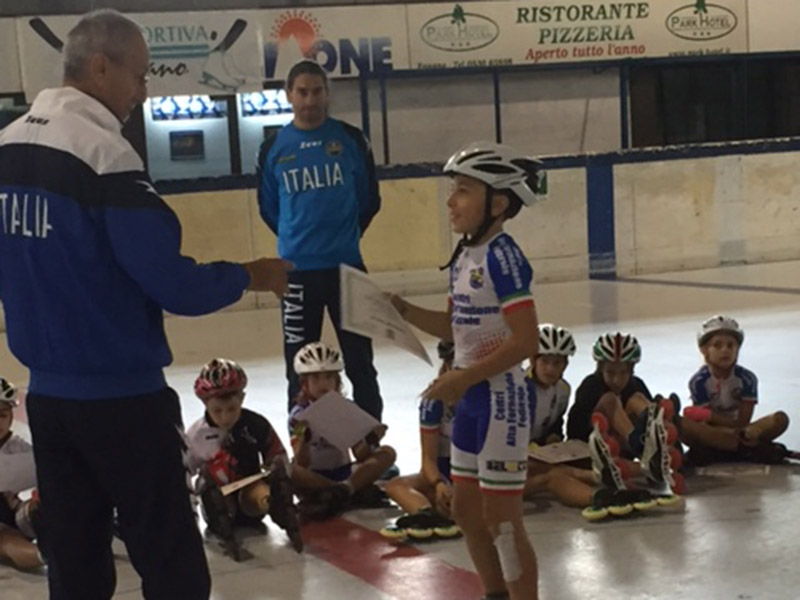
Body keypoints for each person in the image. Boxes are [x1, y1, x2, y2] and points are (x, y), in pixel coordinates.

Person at [0, 10, 290, 599]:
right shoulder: (104, 155)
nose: (144, 91)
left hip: (49, 402)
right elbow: (172, 282)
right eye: (140, 75)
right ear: (100, 67)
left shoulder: (7, 148)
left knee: (76, 563)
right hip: (122, 402)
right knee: (170, 562)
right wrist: (250, 275)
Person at [390, 142, 543, 600]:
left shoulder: (502, 255)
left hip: (500, 397)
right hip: (472, 398)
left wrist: (463, 377)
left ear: (496, 204)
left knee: (503, 522)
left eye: (463, 190)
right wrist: (402, 310)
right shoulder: (464, 255)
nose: (450, 201)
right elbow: (455, 327)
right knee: (467, 512)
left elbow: (526, 341)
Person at [257, 59, 384, 421]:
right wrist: (300, 241)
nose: (310, 100)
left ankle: (370, 440)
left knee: (361, 364)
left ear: (327, 94)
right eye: (302, 92)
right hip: (295, 274)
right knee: (297, 366)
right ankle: (303, 444)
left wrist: (342, 238)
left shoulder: (351, 139)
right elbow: (269, 208)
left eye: (316, 91)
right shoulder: (273, 148)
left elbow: (369, 200)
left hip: (347, 268)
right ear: (288, 95)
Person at [186, 359, 303, 556]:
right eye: (217, 411)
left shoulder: (257, 424)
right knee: (208, 480)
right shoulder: (196, 434)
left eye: (231, 409)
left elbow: (278, 454)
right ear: (205, 404)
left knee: (277, 480)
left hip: (252, 497)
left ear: (242, 399)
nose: (225, 418)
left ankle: (287, 520)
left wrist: (275, 466)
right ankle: (224, 529)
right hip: (218, 500)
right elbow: (186, 473)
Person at [288, 342, 396, 520]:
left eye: (329, 377)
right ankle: (346, 492)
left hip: (344, 471)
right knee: (289, 470)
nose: (323, 384)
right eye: (315, 379)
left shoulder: (345, 408)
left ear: (337, 381)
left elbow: (359, 454)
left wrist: (370, 439)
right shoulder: (298, 415)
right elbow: (302, 463)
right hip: (315, 476)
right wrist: (302, 437)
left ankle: (341, 492)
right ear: (304, 384)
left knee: (387, 453)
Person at [682, 315, 790, 465]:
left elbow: (742, 422)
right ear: (704, 350)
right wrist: (712, 421)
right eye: (717, 345)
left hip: (740, 430)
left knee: (780, 419)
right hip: (714, 432)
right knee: (682, 425)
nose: (725, 350)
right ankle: (747, 449)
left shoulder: (747, 379)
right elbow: (708, 425)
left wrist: (713, 417)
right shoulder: (698, 382)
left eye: (730, 345)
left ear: (738, 349)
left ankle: (726, 449)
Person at [381, 341, 461, 541]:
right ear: (447, 366)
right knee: (394, 486)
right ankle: (426, 514)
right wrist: (438, 484)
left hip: (470, 473)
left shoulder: (482, 397)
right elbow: (428, 459)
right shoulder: (433, 400)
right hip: (443, 471)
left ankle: (436, 511)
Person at [0, 377, 45, 570]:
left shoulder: (21, 448)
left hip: (12, 513)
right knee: (7, 540)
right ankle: (49, 556)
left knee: (46, 505)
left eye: (2, 415)